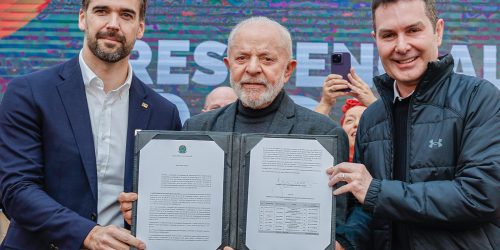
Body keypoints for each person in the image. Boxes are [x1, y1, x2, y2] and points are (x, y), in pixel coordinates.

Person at [118, 16, 349, 249]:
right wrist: (146, 213)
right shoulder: (198, 128)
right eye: (242, 58)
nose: (252, 68)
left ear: (288, 70)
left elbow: (336, 228)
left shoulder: (322, 133)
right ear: (229, 66)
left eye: (267, 59)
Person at [0, 0, 181, 249]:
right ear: (82, 18)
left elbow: (166, 203)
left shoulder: (164, 113)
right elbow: (16, 189)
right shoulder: (29, 93)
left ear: (140, 28)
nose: (113, 24)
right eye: (102, 11)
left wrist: (143, 213)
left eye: (126, 15)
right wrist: (87, 233)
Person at [327, 0, 500, 249]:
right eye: (388, 35)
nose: (401, 46)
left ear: (437, 32)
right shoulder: (372, 118)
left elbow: (481, 195)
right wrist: (345, 241)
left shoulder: (478, 98)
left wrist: (377, 192)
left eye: (413, 31)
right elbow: (365, 206)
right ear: (376, 39)